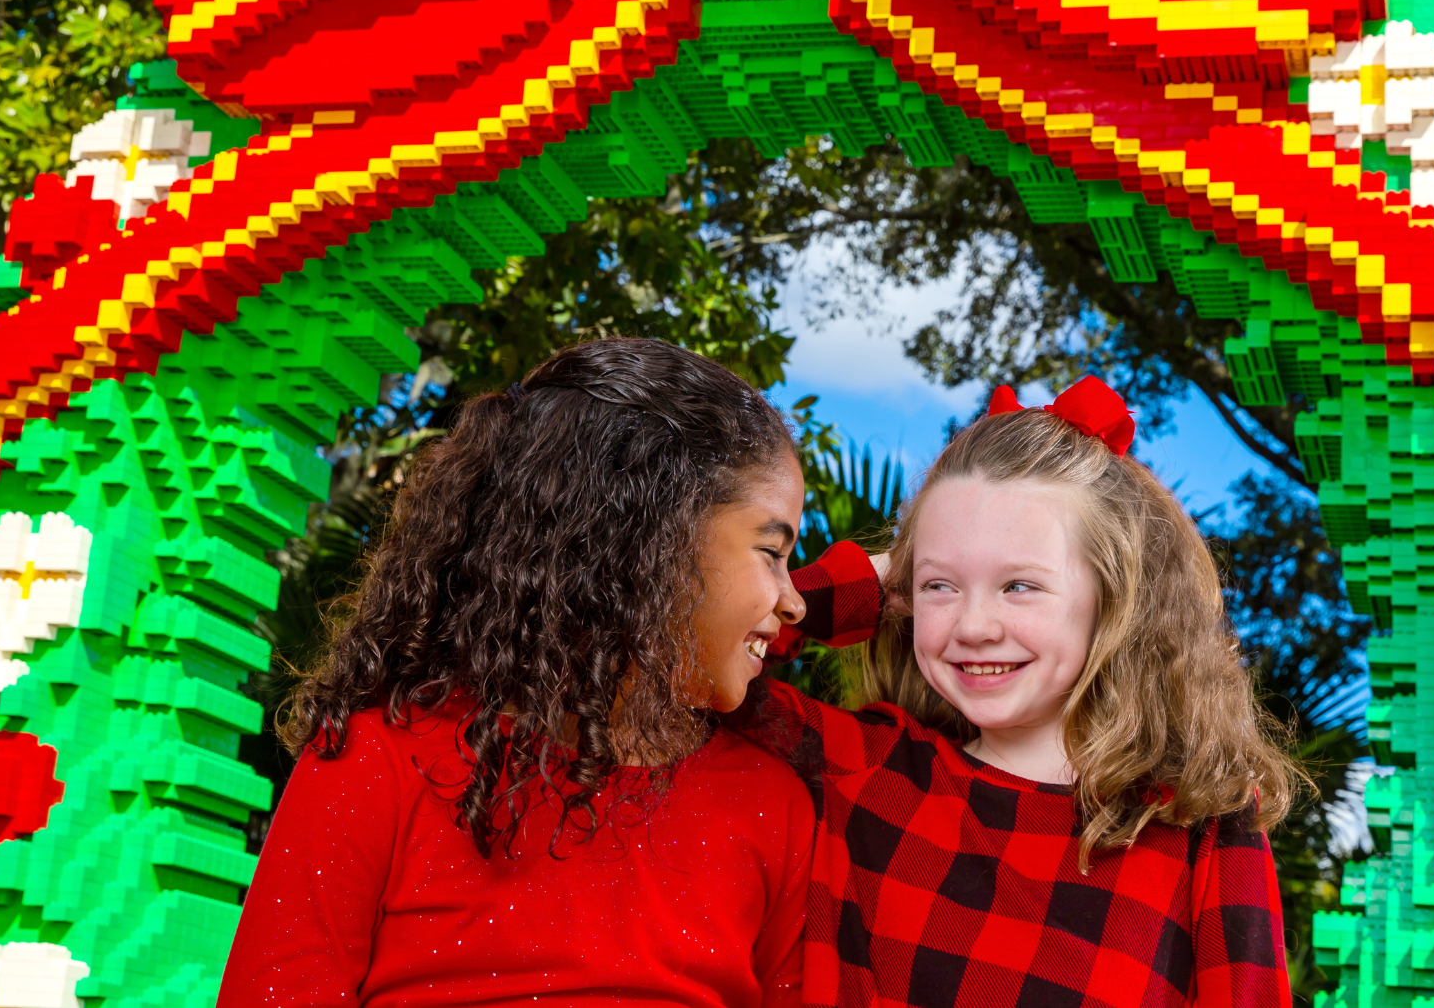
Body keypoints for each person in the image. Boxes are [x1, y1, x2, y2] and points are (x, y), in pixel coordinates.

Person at [219, 338, 817, 1008]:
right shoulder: (379, 759)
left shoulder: (773, 807)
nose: (793, 599)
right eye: (772, 551)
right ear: (651, 540)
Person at [757, 376, 1301, 1008]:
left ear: (1117, 598)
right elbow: (676, 659)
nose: (974, 627)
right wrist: (876, 581)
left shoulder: (1201, 823)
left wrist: (940, 569)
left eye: (1019, 585)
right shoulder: (863, 767)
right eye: (941, 587)